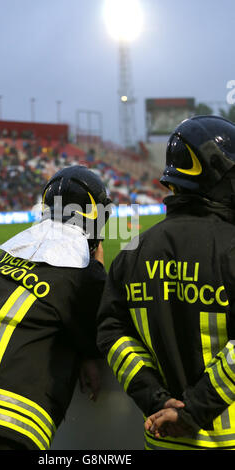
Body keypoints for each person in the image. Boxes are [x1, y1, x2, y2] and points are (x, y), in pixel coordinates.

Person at [0, 165, 111, 450]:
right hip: (12, 415)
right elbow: (101, 329)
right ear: (95, 217)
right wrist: (98, 268)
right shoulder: (83, 270)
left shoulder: (8, 255)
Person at [97, 115, 235, 450]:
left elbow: (112, 335)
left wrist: (156, 400)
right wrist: (193, 411)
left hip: (160, 439)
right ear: (216, 177)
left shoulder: (131, 252)